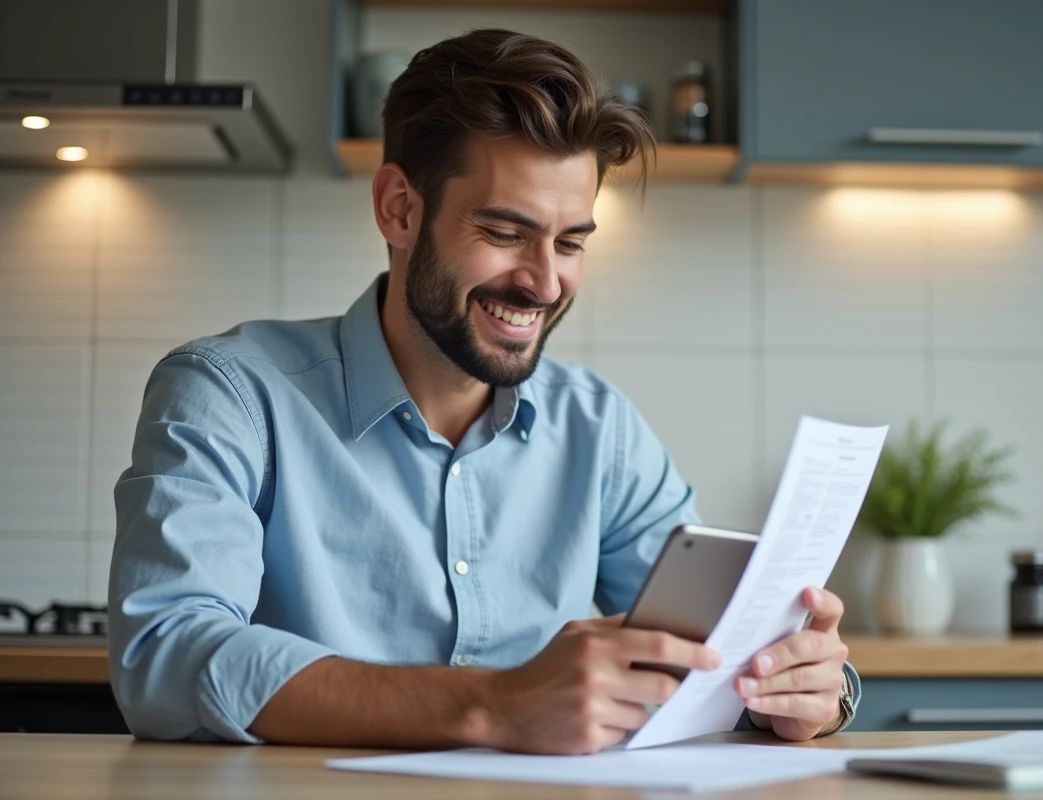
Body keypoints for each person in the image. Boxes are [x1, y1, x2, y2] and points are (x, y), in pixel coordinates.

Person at [108, 28, 858, 755]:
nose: (544, 281)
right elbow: (164, 656)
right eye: (505, 232)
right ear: (399, 208)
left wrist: (798, 690)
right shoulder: (231, 393)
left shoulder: (598, 426)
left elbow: (708, 646)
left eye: (570, 243)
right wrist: (493, 706)